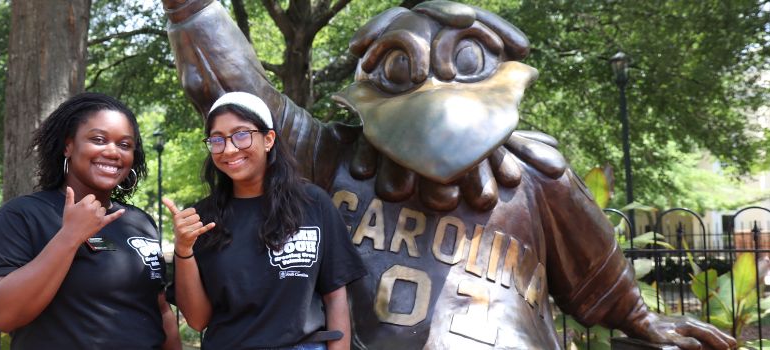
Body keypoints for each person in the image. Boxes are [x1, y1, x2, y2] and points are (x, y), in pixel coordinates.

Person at [161, 0, 737, 349]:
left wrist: (640, 318)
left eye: (462, 59)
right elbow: (239, 95)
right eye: (401, 63)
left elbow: (597, 280)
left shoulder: (535, 175)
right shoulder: (334, 156)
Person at [163, 91, 367, 350]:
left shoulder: (313, 203)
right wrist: (183, 250)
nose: (229, 149)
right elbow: (197, 320)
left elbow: (335, 295)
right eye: (217, 139)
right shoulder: (203, 218)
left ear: (268, 139)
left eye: (241, 134)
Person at [0, 92, 181, 349]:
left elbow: (160, 309)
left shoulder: (140, 222)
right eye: (98, 139)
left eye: (125, 144)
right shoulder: (21, 216)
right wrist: (69, 237)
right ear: (68, 146)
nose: (112, 151)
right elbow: (2, 315)